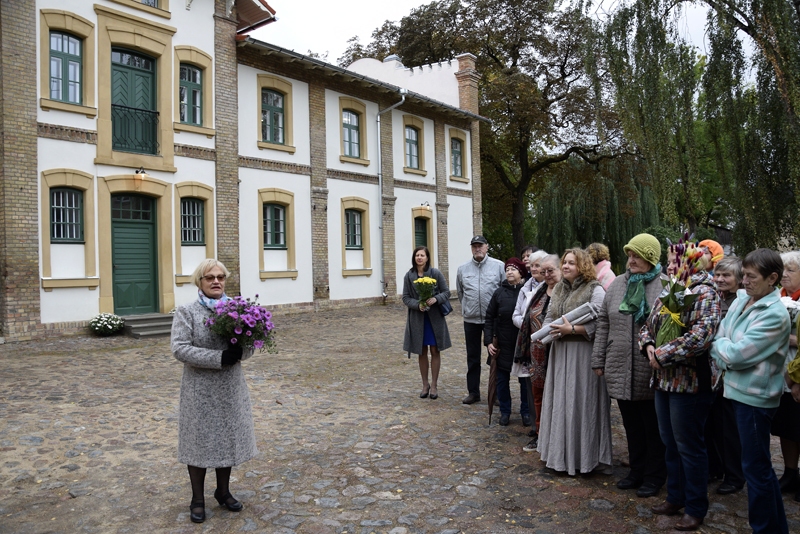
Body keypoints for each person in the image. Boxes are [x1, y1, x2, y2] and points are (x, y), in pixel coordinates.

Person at [640, 244, 722, 532]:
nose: (669, 266)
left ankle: (696, 506)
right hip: (663, 381)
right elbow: (648, 324)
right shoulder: (671, 288)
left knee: (689, 445)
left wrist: (662, 354)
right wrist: (648, 345)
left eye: (674, 261)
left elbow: (702, 335)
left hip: (689, 382)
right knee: (670, 442)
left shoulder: (705, 292)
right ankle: (675, 497)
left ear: (691, 263)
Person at [171, 259, 258, 524]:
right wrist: (219, 358)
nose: (216, 281)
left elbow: (251, 343)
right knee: (198, 443)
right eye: (209, 278)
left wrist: (241, 351)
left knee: (226, 439)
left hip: (230, 388)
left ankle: (223, 491)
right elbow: (180, 348)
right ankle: (197, 499)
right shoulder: (187, 312)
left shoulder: (238, 310)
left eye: (220, 277)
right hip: (200, 390)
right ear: (200, 282)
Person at [711, 249, 791, 534]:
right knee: (755, 466)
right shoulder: (743, 300)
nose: (744, 281)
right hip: (734, 391)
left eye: (751, 276)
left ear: (772, 279)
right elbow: (722, 335)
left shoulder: (774, 314)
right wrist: (724, 348)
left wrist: (721, 350)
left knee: (757, 470)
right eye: (743, 274)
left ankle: (766, 528)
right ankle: (773, 527)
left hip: (756, 399)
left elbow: (735, 354)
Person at [591, 233, 666, 498]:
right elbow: (603, 322)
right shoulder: (618, 284)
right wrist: (599, 358)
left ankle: (654, 476)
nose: (631, 260)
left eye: (637, 255)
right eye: (629, 255)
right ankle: (636, 471)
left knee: (653, 426)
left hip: (651, 367)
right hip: (619, 363)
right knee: (631, 424)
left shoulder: (666, 286)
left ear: (650, 258)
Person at [537, 248, 611, 475]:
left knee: (580, 402)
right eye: (565, 263)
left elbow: (601, 321)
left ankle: (584, 459)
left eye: (571, 263)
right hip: (560, 353)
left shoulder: (594, 288)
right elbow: (549, 316)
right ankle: (559, 456)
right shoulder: (559, 288)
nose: (566, 266)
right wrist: (547, 330)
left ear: (583, 266)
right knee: (561, 403)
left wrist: (574, 329)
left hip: (582, 353)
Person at [705, 257, 745, 495]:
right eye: (717, 275)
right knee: (712, 424)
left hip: (728, 372)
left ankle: (734, 475)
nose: (719, 279)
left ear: (739, 279)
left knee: (730, 428)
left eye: (726, 276)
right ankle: (715, 467)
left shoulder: (741, 304)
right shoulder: (714, 298)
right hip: (711, 373)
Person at [514, 254, 561, 451]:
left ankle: (556, 437)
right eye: (543, 271)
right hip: (536, 352)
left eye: (551, 271)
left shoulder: (564, 291)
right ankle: (540, 434)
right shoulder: (540, 291)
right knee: (538, 394)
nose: (547, 275)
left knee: (557, 395)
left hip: (557, 351)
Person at [456, 235, 506, 404]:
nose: (477, 249)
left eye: (480, 246)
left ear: (487, 247)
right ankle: (473, 392)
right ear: (471, 248)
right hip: (471, 320)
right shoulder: (463, 269)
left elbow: (504, 291)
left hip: (492, 320)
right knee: (472, 357)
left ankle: (497, 394)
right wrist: (467, 309)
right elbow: (460, 292)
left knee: (496, 357)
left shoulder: (499, 266)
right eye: (474, 246)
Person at [402, 246, 452, 400]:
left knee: (435, 350)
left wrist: (436, 299)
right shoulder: (409, 275)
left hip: (434, 319)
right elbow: (405, 297)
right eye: (417, 255)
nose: (419, 258)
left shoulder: (435, 273)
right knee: (421, 351)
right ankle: (425, 384)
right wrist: (418, 304)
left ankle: (434, 385)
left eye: (422, 255)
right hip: (418, 319)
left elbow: (446, 292)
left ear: (427, 257)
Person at [484, 258, 528, 426]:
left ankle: (526, 411)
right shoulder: (499, 293)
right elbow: (489, 318)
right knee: (501, 380)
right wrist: (488, 342)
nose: (509, 271)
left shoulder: (527, 292)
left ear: (521, 273)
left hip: (521, 344)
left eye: (514, 269)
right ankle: (505, 411)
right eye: (507, 268)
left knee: (524, 381)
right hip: (502, 344)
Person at [771, 250, 800, 498]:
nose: (785, 275)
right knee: (787, 427)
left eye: (791, 270)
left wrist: (790, 339)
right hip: (779, 376)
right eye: (783, 270)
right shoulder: (777, 298)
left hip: (797, 374)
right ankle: (790, 473)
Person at [513, 249, 548, 329]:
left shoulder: (551, 287)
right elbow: (515, 315)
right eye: (532, 265)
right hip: (525, 334)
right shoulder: (524, 288)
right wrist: (526, 325)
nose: (533, 269)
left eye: (537, 265)